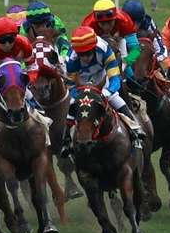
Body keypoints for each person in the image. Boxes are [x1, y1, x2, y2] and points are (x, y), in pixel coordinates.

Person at [60, 26, 144, 157]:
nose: (85, 57)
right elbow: (71, 86)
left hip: (101, 75)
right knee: (72, 104)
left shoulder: (104, 50)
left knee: (114, 97)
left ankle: (135, 129)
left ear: (94, 48)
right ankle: (66, 141)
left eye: (88, 53)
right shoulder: (71, 60)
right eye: (82, 54)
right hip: (81, 79)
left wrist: (107, 92)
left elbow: (115, 78)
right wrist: (81, 97)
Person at [81, 0, 141, 76]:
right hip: (96, 42)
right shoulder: (87, 26)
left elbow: (136, 49)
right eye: (102, 23)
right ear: (96, 21)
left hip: (119, 40)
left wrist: (125, 62)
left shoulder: (125, 21)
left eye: (109, 22)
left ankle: (131, 78)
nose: (106, 27)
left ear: (115, 19)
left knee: (126, 67)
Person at [121, 0, 170, 68]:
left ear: (141, 21)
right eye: (130, 23)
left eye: (136, 23)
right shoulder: (118, 24)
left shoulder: (148, 23)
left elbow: (161, 49)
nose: (133, 27)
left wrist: (155, 59)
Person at [20, 0, 70, 67]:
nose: (41, 29)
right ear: (31, 24)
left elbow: (64, 44)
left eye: (44, 24)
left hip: (53, 53)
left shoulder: (56, 24)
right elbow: (21, 55)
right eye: (37, 26)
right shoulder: (24, 30)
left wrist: (62, 59)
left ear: (48, 20)